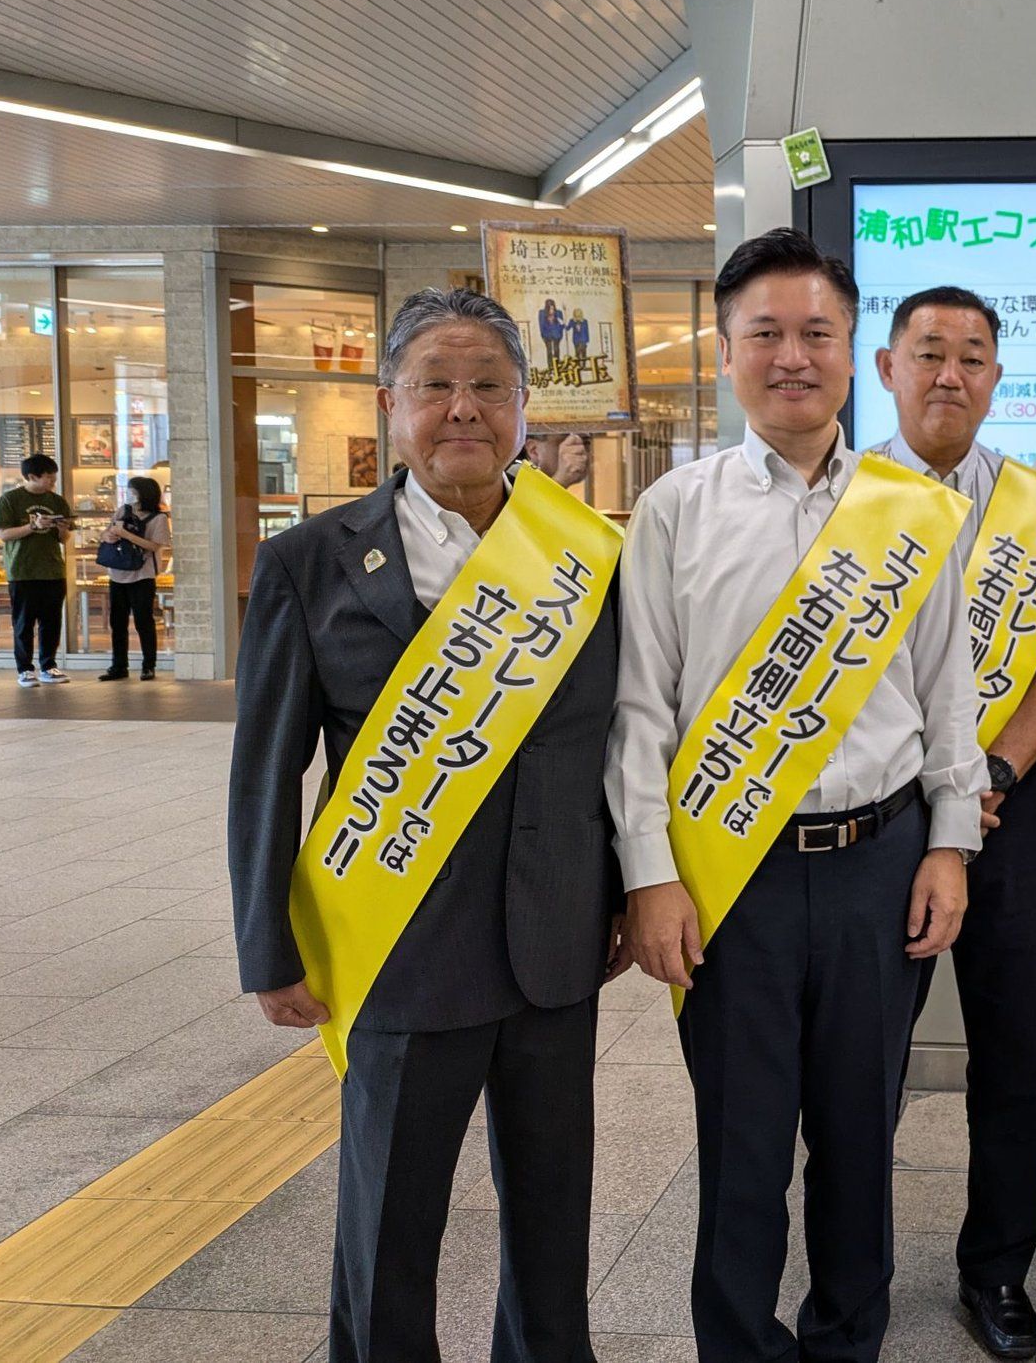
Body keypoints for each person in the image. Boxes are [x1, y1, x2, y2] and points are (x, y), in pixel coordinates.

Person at [228, 287, 626, 1363]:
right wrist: (269, 945)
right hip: (394, 940)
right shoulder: (311, 559)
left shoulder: (585, 552)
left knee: (553, 1219)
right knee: (389, 1225)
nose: (464, 409)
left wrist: (636, 890)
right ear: (388, 401)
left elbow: (624, 743)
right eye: (436, 385)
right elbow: (266, 766)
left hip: (556, 940)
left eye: (489, 386)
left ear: (523, 405)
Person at [608, 229, 985, 1363]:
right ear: (723, 354)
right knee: (741, 1142)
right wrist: (649, 874)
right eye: (763, 333)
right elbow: (641, 709)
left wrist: (949, 844)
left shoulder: (907, 507)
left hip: (881, 859)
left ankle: (844, 1341)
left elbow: (947, 690)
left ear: (850, 351)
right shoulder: (676, 506)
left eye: (815, 331)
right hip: (732, 874)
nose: (791, 355)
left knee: (862, 1139)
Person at [870, 284, 1036, 1358]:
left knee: (1019, 1051)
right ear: (887, 369)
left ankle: (996, 1269)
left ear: (997, 378)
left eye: (970, 356)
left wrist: (997, 764)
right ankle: (848, 1267)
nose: (949, 373)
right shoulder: (849, 493)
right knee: (858, 1057)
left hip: (1011, 807)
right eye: (928, 353)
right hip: (876, 816)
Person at [0, 453, 73, 687]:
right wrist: (32, 525)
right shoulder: (10, 500)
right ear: (31, 476)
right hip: (23, 571)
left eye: (53, 477)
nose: (52, 482)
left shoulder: (57, 501)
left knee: (51, 621)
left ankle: (49, 666)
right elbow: (2, 534)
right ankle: (25, 670)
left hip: (53, 569)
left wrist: (61, 529)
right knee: (24, 622)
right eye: (49, 477)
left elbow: (65, 538)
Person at [98, 474, 170, 681]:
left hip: (143, 576)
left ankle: (149, 665)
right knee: (117, 622)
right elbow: (107, 532)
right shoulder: (123, 511)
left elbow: (155, 546)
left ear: (143, 494)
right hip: (117, 573)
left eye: (133, 491)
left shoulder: (159, 518)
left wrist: (126, 535)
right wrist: (109, 535)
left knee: (143, 621)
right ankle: (118, 665)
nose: (130, 494)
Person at [538, 297, 565, 370]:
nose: (551, 310)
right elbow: (541, 325)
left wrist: (561, 332)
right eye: (549, 308)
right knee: (549, 351)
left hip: (557, 335)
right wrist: (543, 335)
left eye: (552, 308)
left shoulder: (559, 313)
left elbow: (562, 325)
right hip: (547, 335)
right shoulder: (542, 313)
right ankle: (550, 367)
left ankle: (557, 366)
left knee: (556, 350)